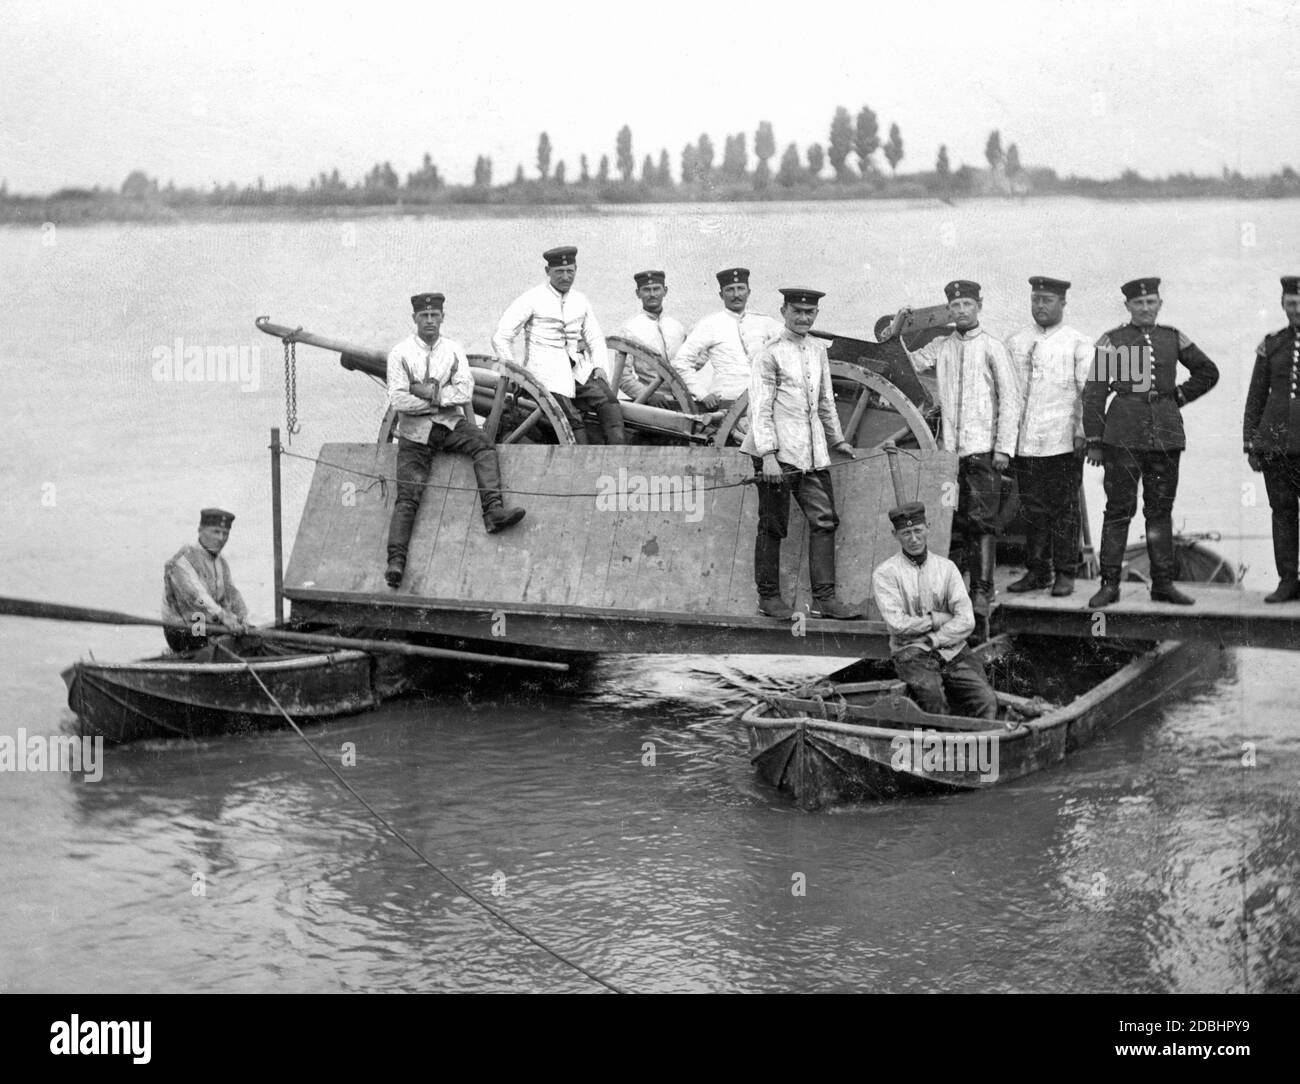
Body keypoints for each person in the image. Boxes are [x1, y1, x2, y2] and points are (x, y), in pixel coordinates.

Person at [1083, 277, 1219, 608]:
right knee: (1118, 510)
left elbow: (1208, 372)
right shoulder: (1113, 341)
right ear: (1128, 307)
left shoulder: (1172, 338)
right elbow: (1095, 392)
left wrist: (1179, 397)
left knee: (1160, 512)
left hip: (1166, 437)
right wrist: (1095, 441)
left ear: (1160, 304)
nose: (1145, 308)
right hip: (1123, 436)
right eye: (1138, 303)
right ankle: (1109, 584)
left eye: (1151, 302)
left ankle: (1163, 584)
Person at [386, 292, 525, 589]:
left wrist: (428, 395)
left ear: (442, 317)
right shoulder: (399, 353)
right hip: (414, 433)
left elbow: (463, 392)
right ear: (414, 319)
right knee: (408, 497)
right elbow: (398, 399)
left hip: (448, 425)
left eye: (435, 315)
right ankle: (395, 562)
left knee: (483, 445)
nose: (430, 321)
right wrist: (437, 401)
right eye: (424, 316)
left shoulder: (453, 350)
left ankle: (493, 512)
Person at [739, 287, 861, 620]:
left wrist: (837, 441)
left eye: (810, 312)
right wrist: (767, 456)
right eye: (797, 311)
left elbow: (825, 402)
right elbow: (760, 408)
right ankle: (769, 597)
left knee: (824, 521)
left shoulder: (818, 351)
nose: (803, 317)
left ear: (816, 315)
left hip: (812, 454)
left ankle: (825, 599)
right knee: (772, 526)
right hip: (777, 455)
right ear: (784, 311)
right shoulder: (769, 353)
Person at [901, 280, 1021, 612]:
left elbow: (1011, 401)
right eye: (955, 306)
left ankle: (982, 591)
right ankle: (951, 591)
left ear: (978, 306)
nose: (962, 311)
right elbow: (908, 363)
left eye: (967, 304)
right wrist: (898, 329)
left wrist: (1003, 449)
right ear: (949, 310)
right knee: (950, 518)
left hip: (983, 453)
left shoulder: (994, 347)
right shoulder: (941, 346)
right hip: (949, 457)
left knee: (981, 519)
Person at [1004, 276, 1093, 597]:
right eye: (1035, 299)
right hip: (1026, 443)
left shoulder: (1078, 343)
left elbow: (1089, 392)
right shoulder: (1015, 342)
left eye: (1047, 300)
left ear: (1062, 303)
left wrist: (1084, 434)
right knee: (1032, 510)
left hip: (1062, 443)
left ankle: (1066, 572)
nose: (1040, 306)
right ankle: (1038, 571)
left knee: (1064, 510)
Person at [871, 501, 998, 720]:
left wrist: (934, 639)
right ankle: (946, 748)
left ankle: (983, 745)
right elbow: (898, 625)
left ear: (928, 527)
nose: (913, 538)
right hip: (911, 653)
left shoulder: (946, 568)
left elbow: (967, 620)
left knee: (986, 699)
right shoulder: (885, 574)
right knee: (935, 701)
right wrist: (938, 618)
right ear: (895, 535)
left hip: (953, 649)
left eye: (918, 530)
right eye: (906, 533)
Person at [491, 245, 626, 445]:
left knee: (610, 403)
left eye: (570, 271)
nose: (565, 276)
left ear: (576, 270)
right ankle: (582, 461)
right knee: (571, 420)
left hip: (576, 370)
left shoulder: (581, 300)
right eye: (559, 272)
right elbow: (501, 337)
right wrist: (517, 373)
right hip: (543, 374)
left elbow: (595, 337)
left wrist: (599, 366)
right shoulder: (531, 298)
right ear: (548, 272)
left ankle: (620, 455)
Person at [1242, 275, 1300, 602]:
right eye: (1291, 303)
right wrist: (1250, 443)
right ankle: (1288, 581)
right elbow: (1256, 396)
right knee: (1282, 511)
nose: (1297, 309)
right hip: (1275, 444)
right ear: (1283, 305)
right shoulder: (1272, 343)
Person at [672, 267, 782, 410]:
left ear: (749, 292)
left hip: (763, 403)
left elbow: (790, 343)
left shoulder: (765, 322)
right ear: (721, 295)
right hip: (727, 404)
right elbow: (681, 362)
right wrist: (701, 394)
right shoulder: (710, 324)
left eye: (741, 289)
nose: (736, 295)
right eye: (730, 290)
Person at [162, 508, 249, 652]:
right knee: (203, 630)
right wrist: (223, 616)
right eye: (215, 532)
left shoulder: (221, 563)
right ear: (200, 530)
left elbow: (232, 594)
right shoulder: (183, 559)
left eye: (225, 533)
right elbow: (196, 595)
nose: (221, 538)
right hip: (183, 629)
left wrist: (242, 619)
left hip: (209, 624)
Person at [612, 269, 687, 401]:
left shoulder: (678, 327)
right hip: (652, 404)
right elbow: (623, 376)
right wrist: (648, 396)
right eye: (646, 290)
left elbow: (690, 363)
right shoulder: (629, 329)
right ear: (638, 293)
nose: (652, 294)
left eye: (656, 289)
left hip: (684, 400)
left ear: (665, 291)